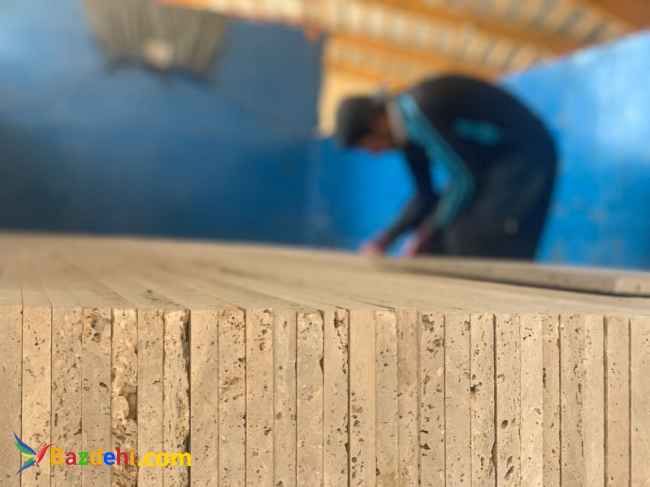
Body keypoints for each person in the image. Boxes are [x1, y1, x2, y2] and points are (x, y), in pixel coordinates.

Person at [335, 74, 558, 259]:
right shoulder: (406, 135)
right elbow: (424, 196)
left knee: (468, 238)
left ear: (377, 124)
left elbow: (464, 178)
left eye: (369, 146)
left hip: (526, 156)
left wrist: (425, 234)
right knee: (442, 239)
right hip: (492, 166)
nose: (375, 153)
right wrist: (384, 241)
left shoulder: (419, 111)